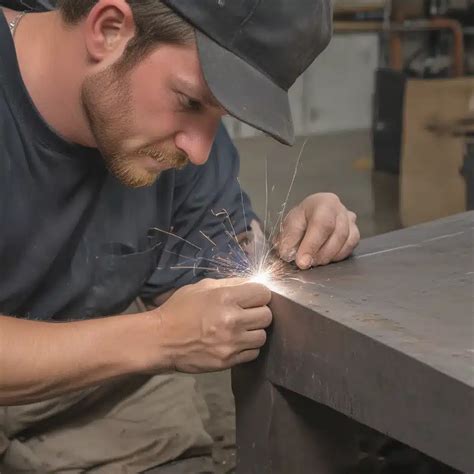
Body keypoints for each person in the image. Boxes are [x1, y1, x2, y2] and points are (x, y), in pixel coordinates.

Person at [0, 0, 360, 471]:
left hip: (90, 377)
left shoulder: (175, 146)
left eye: (219, 116)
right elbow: (166, 336)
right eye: (189, 102)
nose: (198, 149)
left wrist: (299, 247)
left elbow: (224, 277)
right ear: (108, 30)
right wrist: (161, 338)